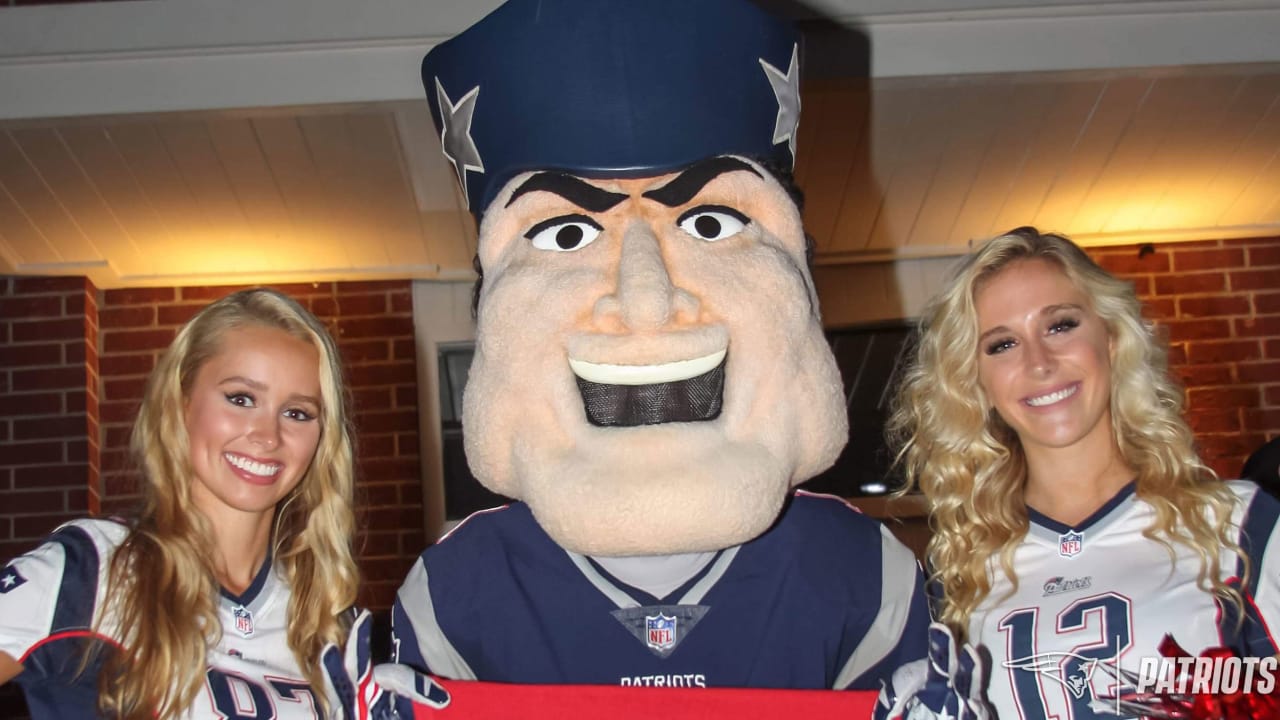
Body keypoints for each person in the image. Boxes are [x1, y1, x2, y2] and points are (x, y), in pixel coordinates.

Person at [391, 0, 930, 693]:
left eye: (709, 223)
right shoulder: (455, 597)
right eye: (566, 235)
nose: (646, 300)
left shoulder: (862, 577)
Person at [888, 227, 1280, 720]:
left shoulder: (1240, 525)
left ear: (1111, 338)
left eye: (1060, 326)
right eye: (1003, 344)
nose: (1039, 362)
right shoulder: (961, 572)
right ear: (976, 384)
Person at [0, 289, 361, 719]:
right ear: (181, 403)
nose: (267, 435)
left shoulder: (322, 612)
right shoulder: (94, 570)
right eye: (241, 398)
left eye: (298, 413)